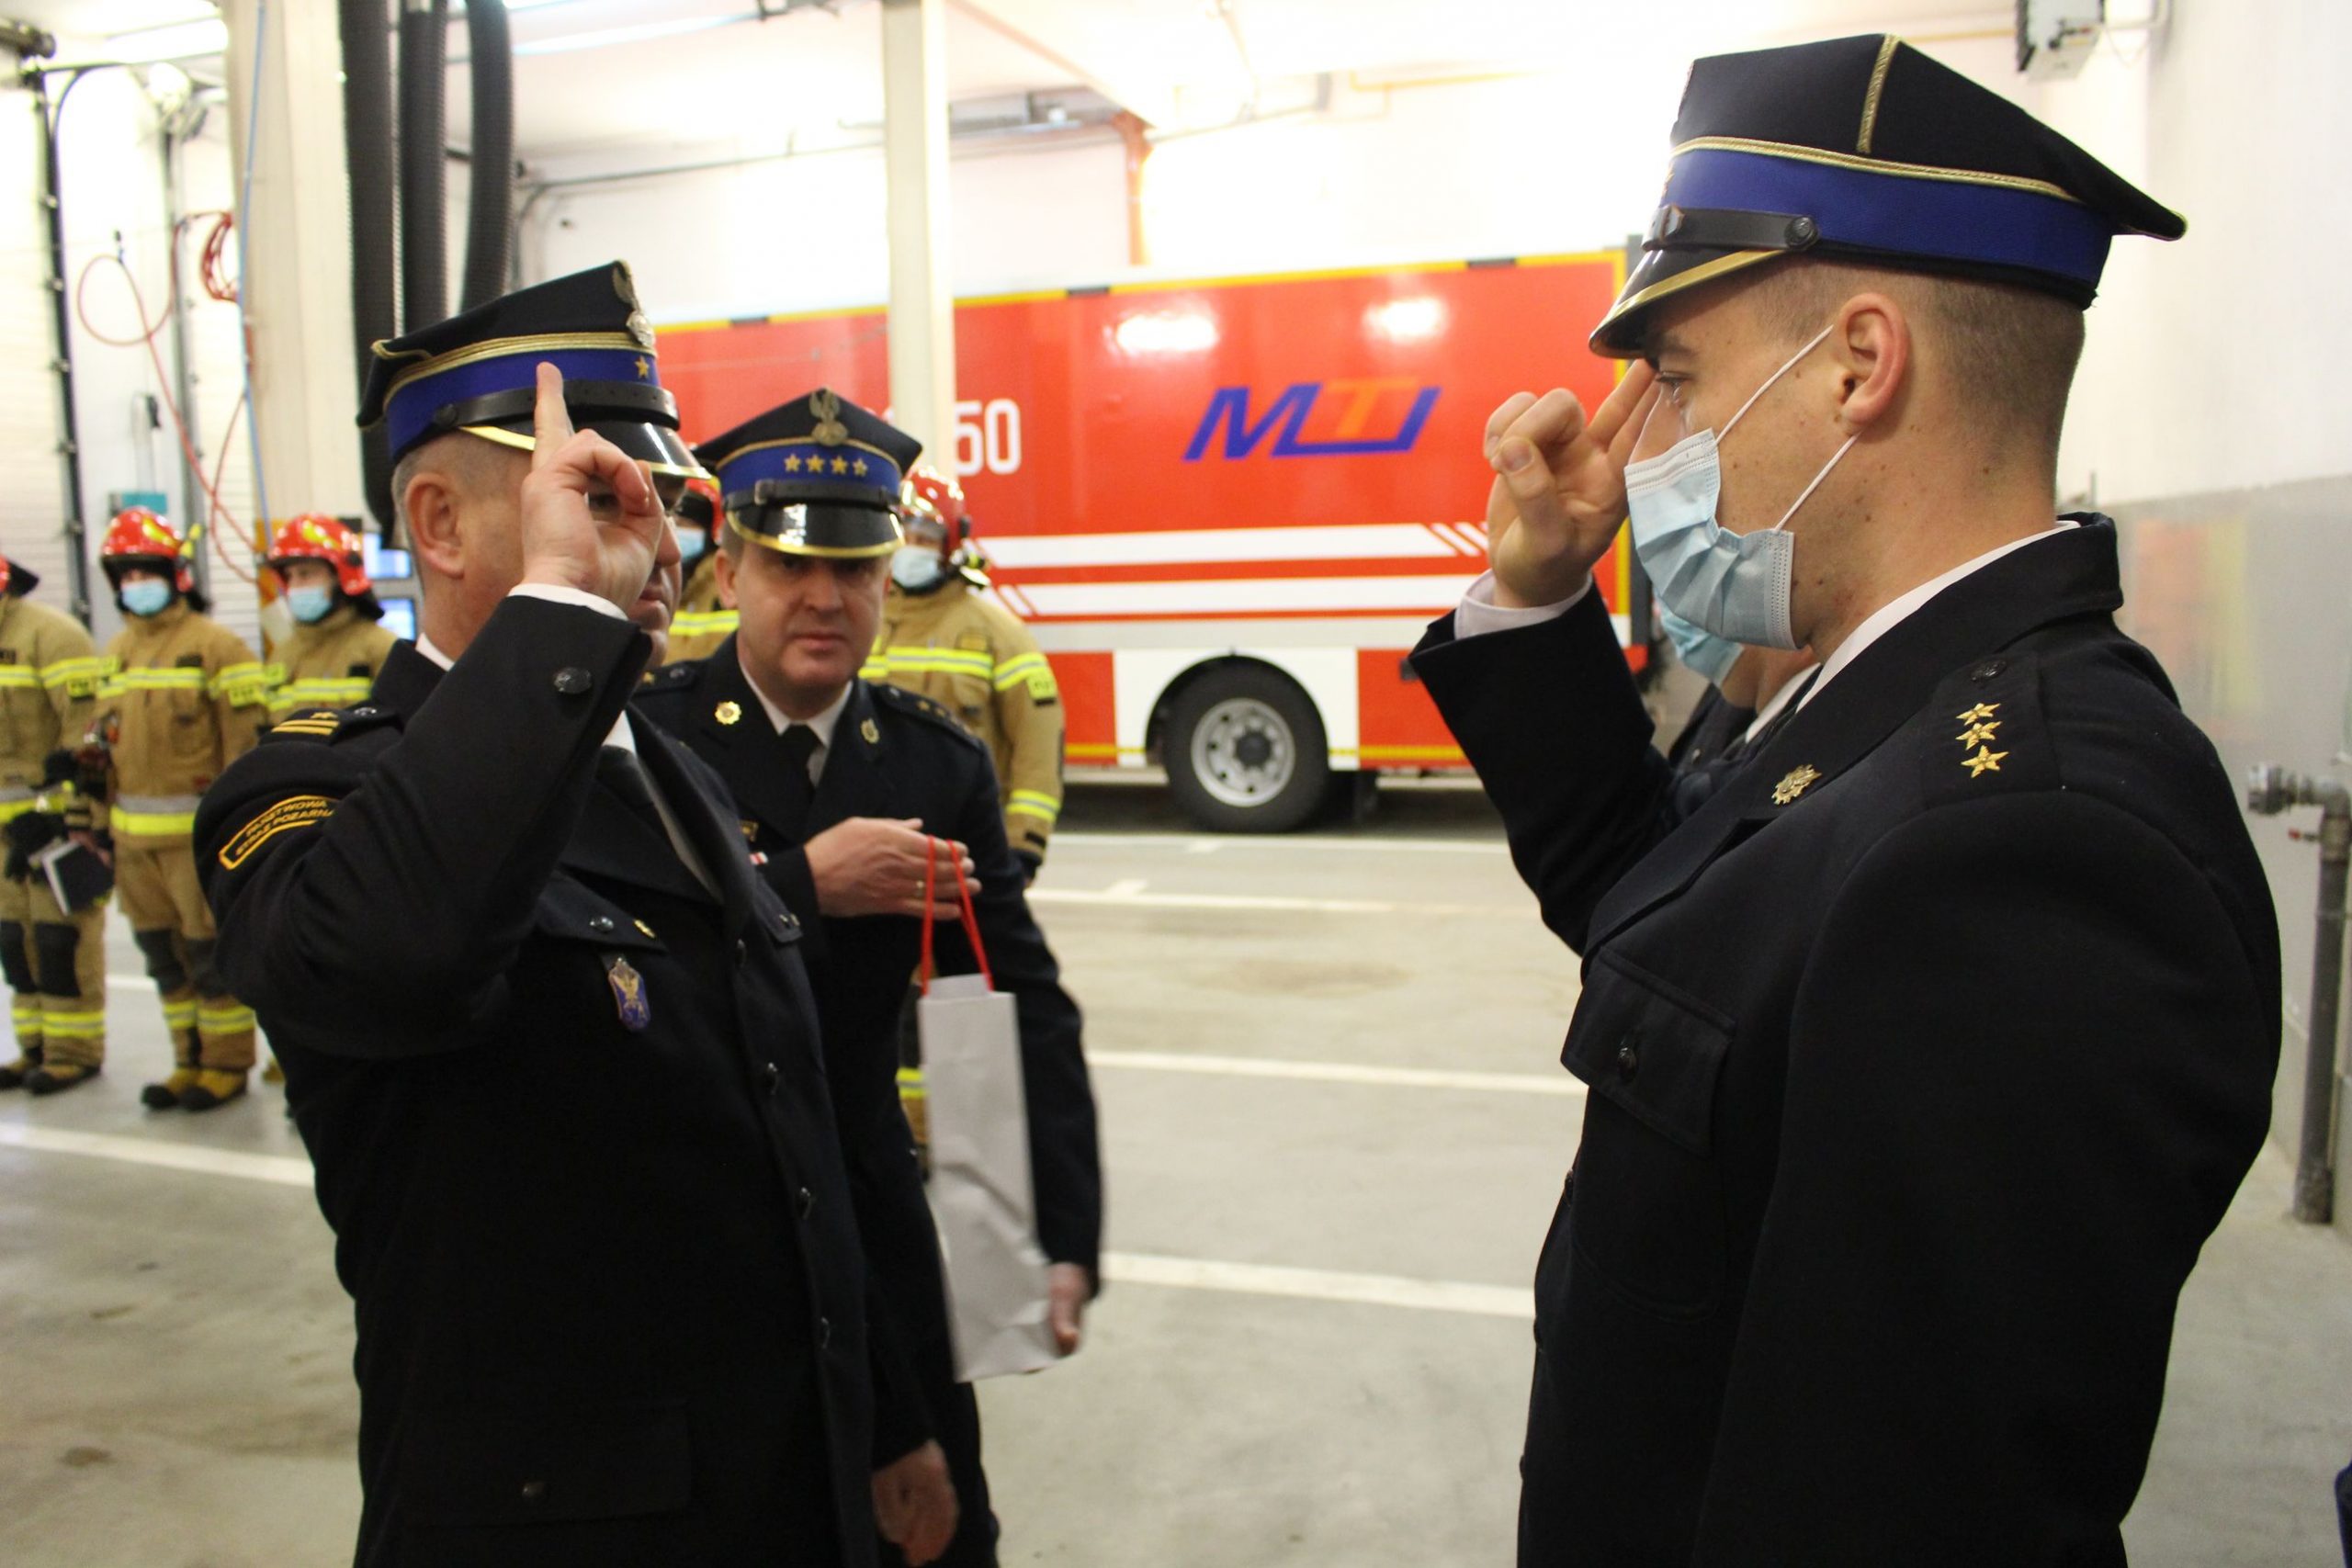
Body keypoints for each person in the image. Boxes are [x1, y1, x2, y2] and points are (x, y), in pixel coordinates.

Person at [1409, 35, 2279, 1563]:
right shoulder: (1865, 694)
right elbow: (1668, 922)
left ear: (1861, 366)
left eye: (1679, 382)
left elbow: (1889, 1505)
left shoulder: (2024, 845)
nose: (1646, 445)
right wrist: (1535, 594)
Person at [193, 263, 950, 1568]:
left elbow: (799, 1140)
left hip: (781, 1491)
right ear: (439, 523)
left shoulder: (674, 771)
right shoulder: (314, 789)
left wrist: (885, 1414)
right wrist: (556, 611)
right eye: (598, 497)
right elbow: (387, 964)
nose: (654, 545)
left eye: (664, 504)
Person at [639, 390, 1102, 1568]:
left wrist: (1058, 1228)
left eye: (852, 569)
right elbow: (635, 993)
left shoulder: (935, 767)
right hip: (708, 1226)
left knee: (940, 1534)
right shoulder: (652, 747)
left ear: (886, 582)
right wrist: (801, 887)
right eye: (788, 564)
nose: (823, 598)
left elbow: (1015, 997)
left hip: (872, 1215)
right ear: (729, 572)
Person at [89, 508, 271, 1111]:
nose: (136, 583)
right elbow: (105, 750)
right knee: (164, 959)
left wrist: (236, 838)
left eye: (147, 571)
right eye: (126, 574)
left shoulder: (219, 648)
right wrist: (96, 827)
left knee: (209, 957)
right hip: (133, 848)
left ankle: (226, 1064)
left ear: (176, 575)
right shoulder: (115, 652)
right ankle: (186, 1059)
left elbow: (244, 754)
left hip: (196, 846)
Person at [866, 466, 1064, 880]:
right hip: (869, 852)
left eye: (926, 539)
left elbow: (1038, 744)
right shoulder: (860, 621)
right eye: (904, 535)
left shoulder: (997, 633)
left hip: (967, 853)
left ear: (950, 546)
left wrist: (1024, 845)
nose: (912, 549)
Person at [0, 551, 108, 1094]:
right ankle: (34, 1047)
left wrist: (65, 818)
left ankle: (73, 1052)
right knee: (13, 942)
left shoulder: (53, 636)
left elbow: (82, 740)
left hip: (50, 825)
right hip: (3, 831)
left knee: (58, 938)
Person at [264, 514, 400, 719]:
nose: (294, 586)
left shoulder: (381, 649)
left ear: (341, 577)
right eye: (289, 576)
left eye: (305, 574)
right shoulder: (282, 654)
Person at [662, 476, 734, 663]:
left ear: (709, 531)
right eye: (671, 521)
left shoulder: (729, 586)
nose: (676, 531)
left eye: (686, 524)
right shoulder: (648, 579)